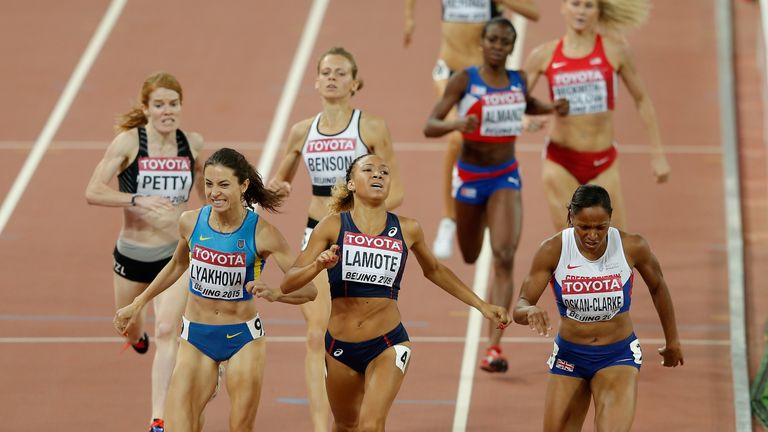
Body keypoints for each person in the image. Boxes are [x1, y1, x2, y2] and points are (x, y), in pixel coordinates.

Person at [281, 153, 510, 431]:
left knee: (371, 425)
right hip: (340, 346)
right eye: (368, 170)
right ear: (351, 184)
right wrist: (318, 265)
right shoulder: (332, 226)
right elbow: (289, 282)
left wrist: (483, 305)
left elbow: (435, 270)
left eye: (384, 172)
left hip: (388, 342)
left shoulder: (407, 228)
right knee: (344, 424)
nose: (378, 175)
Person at [114, 148, 317, 431]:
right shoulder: (191, 221)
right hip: (196, 334)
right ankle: (209, 377)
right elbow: (176, 266)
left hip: (243, 337)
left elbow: (309, 292)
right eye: (209, 184)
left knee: (240, 426)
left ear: (243, 185)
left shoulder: (262, 233)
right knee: (181, 425)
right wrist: (138, 303)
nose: (214, 192)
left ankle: (218, 375)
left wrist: (274, 293)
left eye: (223, 185)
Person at [267, 46, 403, 432]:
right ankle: (320, 426)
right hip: (319, 231)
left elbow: (397, 190)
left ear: (354, 83)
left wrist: (363, 219)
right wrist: (273, 190)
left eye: (340, 73)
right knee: (315, 333)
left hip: (361, 239)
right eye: (325, 72)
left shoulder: (371, 128)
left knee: (353, 326)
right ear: (315, 81)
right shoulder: (301, 131)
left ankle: (357, 405)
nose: (331, 78)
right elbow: (280, 185)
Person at [423, 17, 568, 373]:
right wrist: (456, 124)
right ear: (483, 43)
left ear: (510, 47)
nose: (498, 46)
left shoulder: (517, 80)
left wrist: (550, 108)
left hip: (505, 176)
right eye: (493, 40)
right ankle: (473, 226)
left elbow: (527, 102)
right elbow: (430, 125)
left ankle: (493, 347)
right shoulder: (465, 79)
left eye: (505, 42)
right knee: (471, 254)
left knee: (504, 256)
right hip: (470, 178)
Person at [85, 71, 204, 432]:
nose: (168, 110)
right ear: (146, 108)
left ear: (181, 106)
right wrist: (136, 199)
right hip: (133, 256)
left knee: (168, 329)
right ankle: (136, 339)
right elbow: (93, 191)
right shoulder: (128, 143)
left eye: (173, 103)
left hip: (174, 257)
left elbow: (205, 192)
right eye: (160, 104)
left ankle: (157, 419)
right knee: (129, 326)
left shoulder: (193, 144)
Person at [512, 184, 684, 431]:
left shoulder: (632, 246)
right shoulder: (553, 250)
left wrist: (673, 341)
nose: (593, 235)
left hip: (617, 355)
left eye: (600, 227)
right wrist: (529, 310)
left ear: (610, 219)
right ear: (571, 218)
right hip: (570, 356)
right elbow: (521, 305)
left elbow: (658, 287)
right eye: (584, 227)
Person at [404, 0, 540, 259]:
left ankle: (489, 198)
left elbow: (533, 12)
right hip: (449, 70)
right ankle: (448, 219)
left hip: (483, 77)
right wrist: (410, 18)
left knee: (477, 139)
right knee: (457, 137)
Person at [523, 0, 670, 230]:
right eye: (576, 4)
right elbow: (515, 99)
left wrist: (658, 153)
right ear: (563, 7)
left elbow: (642, 99)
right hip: (560, 162)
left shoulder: (615, 51)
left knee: (616, 246)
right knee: (570, 247)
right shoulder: (544, 55)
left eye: (589, 6)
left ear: (599, 11)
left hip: (602, 162)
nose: (581, 11)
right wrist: (525, 119)